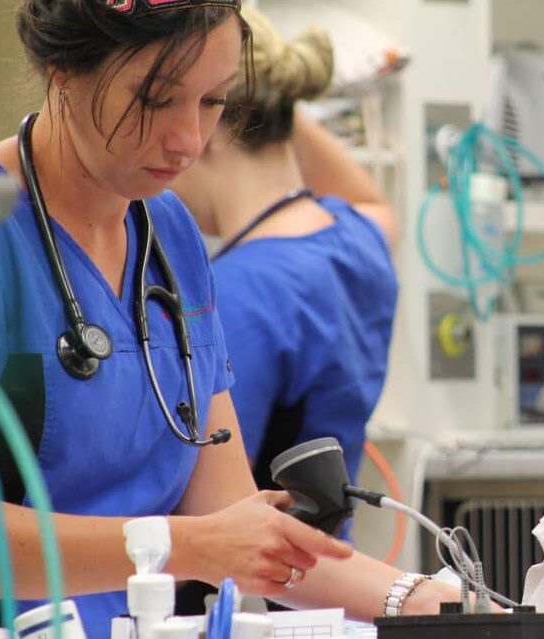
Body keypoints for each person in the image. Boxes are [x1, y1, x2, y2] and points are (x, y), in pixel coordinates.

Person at [0, 2, 454, 638]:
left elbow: (232, 520)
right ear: (63, 69)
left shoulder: (170, 234)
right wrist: (186, 544)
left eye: (214, 102)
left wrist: (432, 603)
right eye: (156, 99)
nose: (189, 140)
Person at [171, 8, 398, 534]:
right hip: (325, 571)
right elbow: (372, 199)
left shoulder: (239, 292)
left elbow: (203, 498)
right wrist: (274, 92)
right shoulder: (357, 239)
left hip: (251, 585)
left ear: (208, 126)